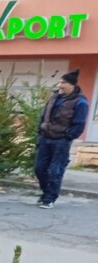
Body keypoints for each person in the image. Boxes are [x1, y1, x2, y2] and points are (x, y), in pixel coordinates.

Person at [34, 68, 89, 209]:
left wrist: (68, 136)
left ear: (72, 85)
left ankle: (49, 199)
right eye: (59, 82)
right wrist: (40, 130)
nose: (59, 85)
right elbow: (43, 115)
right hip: (45, 138)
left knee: (55, 171)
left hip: (61, 141)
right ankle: (47, 192)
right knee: (39, 169)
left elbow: (80, 124)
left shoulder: (80, 102)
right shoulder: (54, 98)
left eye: (63, 82)